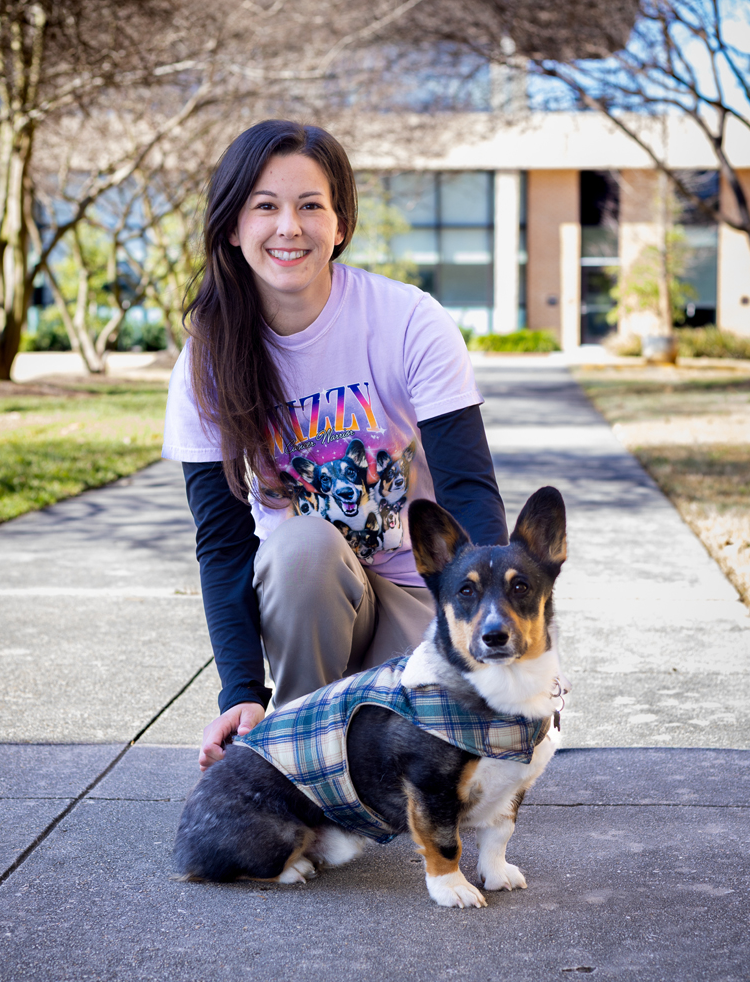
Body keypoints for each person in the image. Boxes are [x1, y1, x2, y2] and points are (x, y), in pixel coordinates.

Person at [162, 119, 509, 772]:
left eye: (310, 205)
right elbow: (223, 539)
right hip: (311, 606)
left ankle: (374, 728)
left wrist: (494, 630)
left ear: (341, 223)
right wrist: (241, 691)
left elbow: (467, 487)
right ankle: (293, 754)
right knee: (302, 540)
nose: (288, 227)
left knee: (440, 771)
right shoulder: (207, 359)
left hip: (421, 598)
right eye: (265, 206)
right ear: (233, 226)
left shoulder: (409, 321)